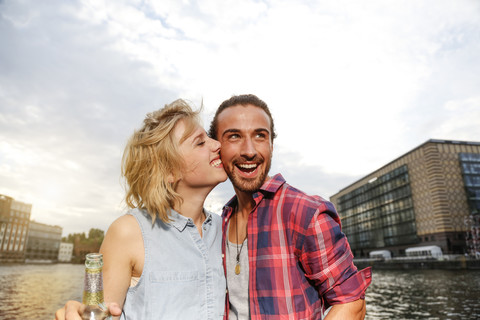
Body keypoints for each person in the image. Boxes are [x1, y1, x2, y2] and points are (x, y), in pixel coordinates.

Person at [55, 99, 228, 320]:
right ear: (169, 171)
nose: (217, 144)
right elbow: (101, 313)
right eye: (200, 142)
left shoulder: (226, 228)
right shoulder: (128, 232)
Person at [207, 94, 372, 320]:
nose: (249, 150)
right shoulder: (221, 220)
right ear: (217, 147)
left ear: (271, 145)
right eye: (234, 136)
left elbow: (351, 302)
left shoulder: (306, 212)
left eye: (260, 136)